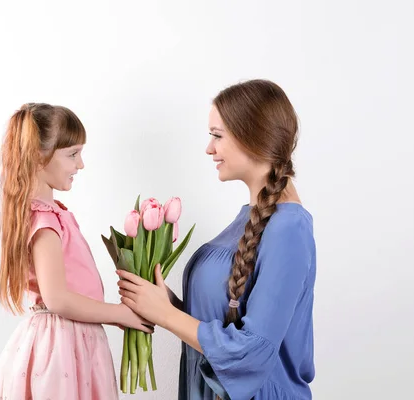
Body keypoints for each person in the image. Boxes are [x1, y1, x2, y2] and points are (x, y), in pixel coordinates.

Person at [117, 80, 316, 399]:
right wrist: (167, 304)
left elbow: (252, 349)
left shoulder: (289, 228)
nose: (209, 148)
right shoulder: (249, 219)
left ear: (253, 137)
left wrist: (166, 316)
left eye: (217, 136)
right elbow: (227, 320)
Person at [0, 102, 153, 400]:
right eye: (72, 154)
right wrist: (120, 313)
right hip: (62, 344)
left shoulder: (52, 214)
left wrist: (115, 315)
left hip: (70, 340)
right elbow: (58, 299)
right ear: (39, 158)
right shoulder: (45, 221)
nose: (80, 164)